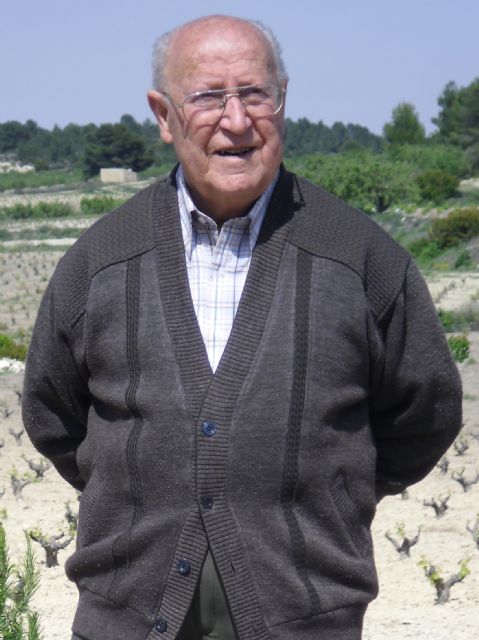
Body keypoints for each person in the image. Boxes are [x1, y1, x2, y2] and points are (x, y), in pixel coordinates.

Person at [22, 14, 462, 640]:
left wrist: (327, 494)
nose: (236, 119)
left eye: (256, 94)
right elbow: (53, 416)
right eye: (207, 96)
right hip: (129, 615)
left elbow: (425, 414)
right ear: (164, 115)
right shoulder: (99, 261)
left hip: (306, 614)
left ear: (283, 101)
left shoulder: (361, 257)